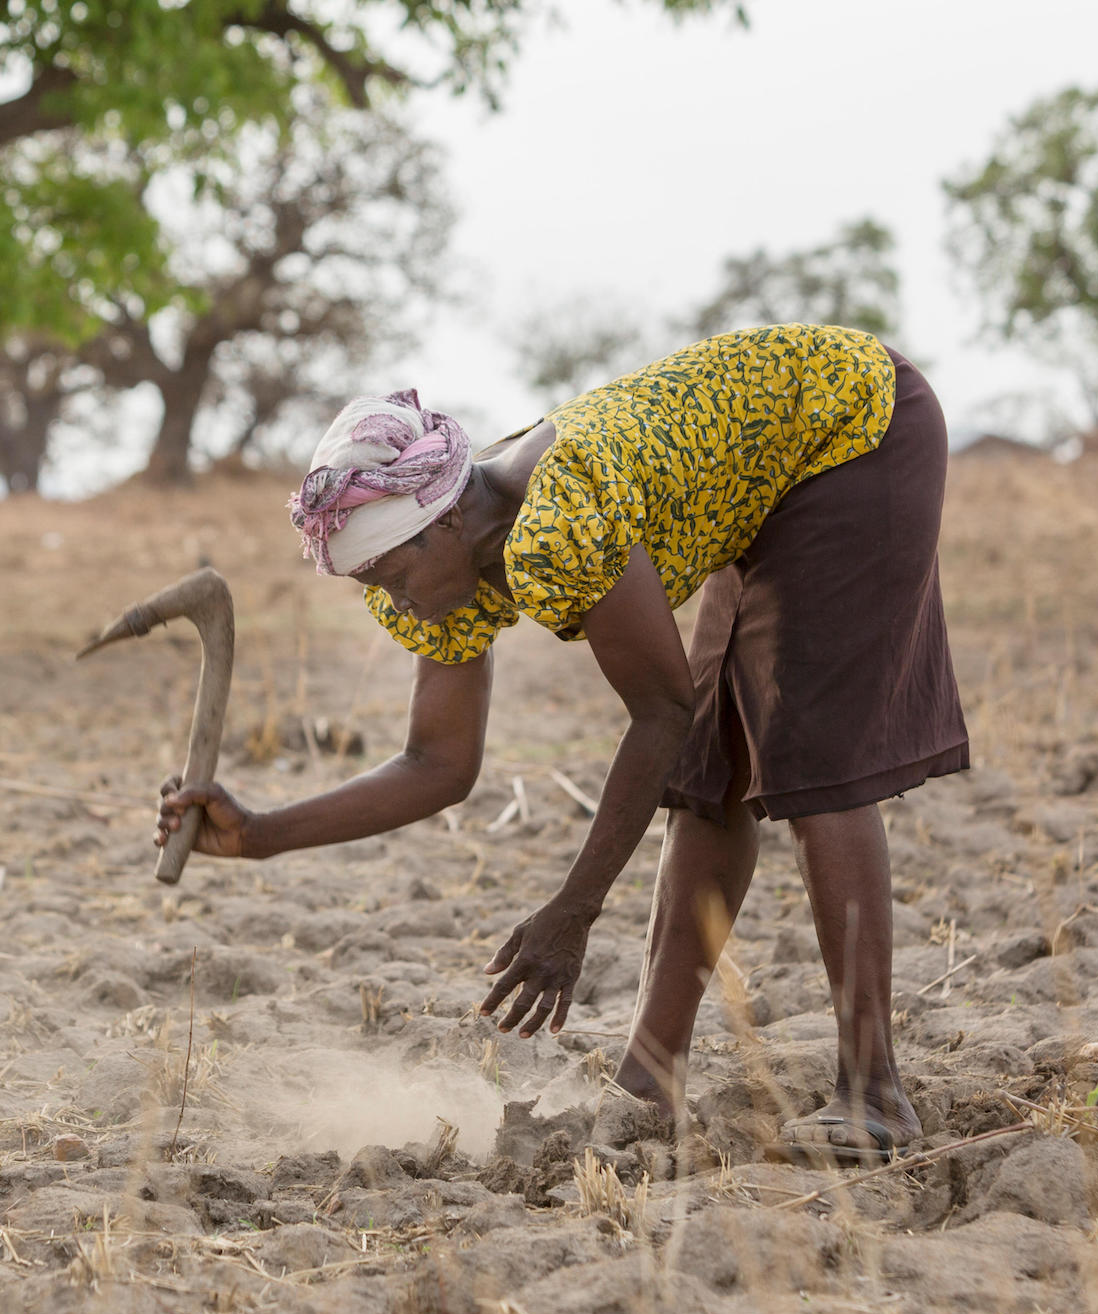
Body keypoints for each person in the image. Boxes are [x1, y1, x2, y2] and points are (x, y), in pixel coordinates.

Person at [155, 323, 967, 1164]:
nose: (390, 601)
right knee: (708, 772)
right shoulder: (454, 555)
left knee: (809, 752)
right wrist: (258, 834)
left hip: (857, 424)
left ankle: (875, 1091)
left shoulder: (555, 514)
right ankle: (650, 1083)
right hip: (768, 474)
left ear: (443, 523)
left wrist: (572, 913)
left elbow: (658, 710)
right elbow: (439, 762)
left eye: (392, 574)